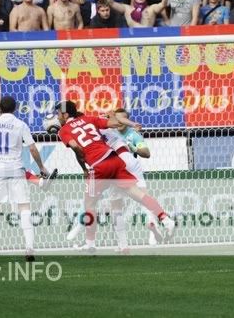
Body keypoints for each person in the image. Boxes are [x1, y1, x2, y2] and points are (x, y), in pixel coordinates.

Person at [55, 100, 176, 251]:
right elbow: (116, 122)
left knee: (89, 205)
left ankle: (90, 243)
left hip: (98, 166)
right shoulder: (89, 119)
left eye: (58, 113)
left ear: (65, 114)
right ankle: (165, 219)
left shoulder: (63, 130)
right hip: (115, 159)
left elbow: (75, 147)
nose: (57, 116)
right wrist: (122, 119)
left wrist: (84, 162)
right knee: (138, 194)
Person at [0, 96, 50, 262]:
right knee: (24, 208)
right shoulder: (20, 124)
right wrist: (41, 167)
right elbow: (32, 149)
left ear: (0, 108)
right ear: (15, 108)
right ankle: (29, 248)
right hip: (16, 169)